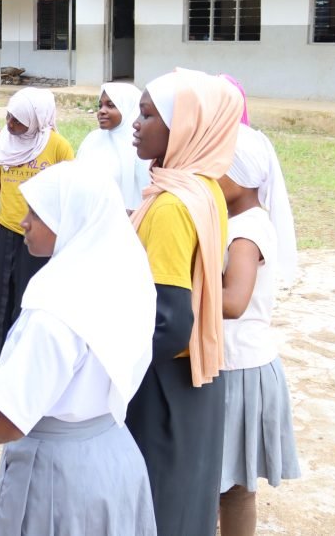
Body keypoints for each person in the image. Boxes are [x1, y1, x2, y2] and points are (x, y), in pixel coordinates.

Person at [0, 161, 157, 535]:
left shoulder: (55, 307)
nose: (23, 221)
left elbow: (8, 420)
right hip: (112, 456)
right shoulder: (123, 279)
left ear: (72, 217)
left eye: (37, 213)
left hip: (59, 477)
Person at [125, 68, 241, 536]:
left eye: (149, 114)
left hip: (163, 379)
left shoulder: (173, 205)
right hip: (199, 372)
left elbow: (169, 320)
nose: (136, 122)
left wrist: (114, 372)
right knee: (187, 497)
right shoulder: (205, 188)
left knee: (159, 501)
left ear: (186, 128)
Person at [217, 125, 301, 536]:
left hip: (239, 370)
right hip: (242, 363)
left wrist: (181, 287)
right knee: (231, 485)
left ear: (241, 176)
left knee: (230, 486)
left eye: (217, 167)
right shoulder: (239, 220)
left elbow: (233, 302)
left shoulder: (246, 231)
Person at [0, 88, 73, 358]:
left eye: (19, 120)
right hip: (7, 231)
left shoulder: (57, 146)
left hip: (41, 238)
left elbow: (70, 190)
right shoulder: (4, 142)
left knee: (29, 299)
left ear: (37, 120)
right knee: (0, 299)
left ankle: (24, 358)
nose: (10, 124)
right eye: (9, 117)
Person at [77, 82, 152, 212]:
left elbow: (145, 188)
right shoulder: (92, 140)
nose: (101, 111)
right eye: (100, 105)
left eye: (111, 105)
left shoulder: (141, 145)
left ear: (128, 107)